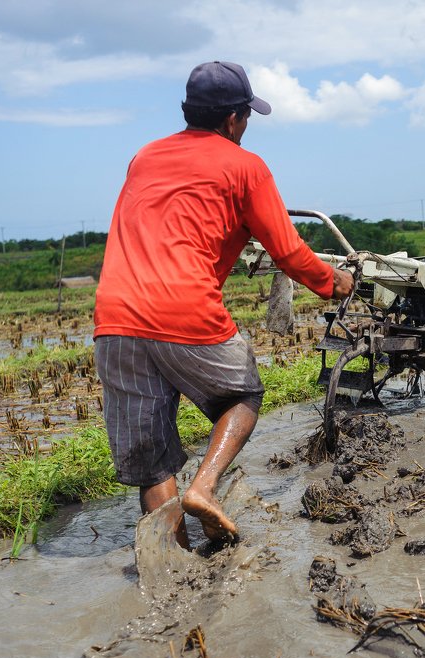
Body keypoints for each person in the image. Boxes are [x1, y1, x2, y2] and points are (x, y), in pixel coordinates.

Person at [93, 61, 354, 548]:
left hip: (114, 319)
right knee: (242, 395)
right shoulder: (245, 167)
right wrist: (332, 282)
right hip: (184, 308)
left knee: (153, 459)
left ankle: (174, 560)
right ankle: (205, 487)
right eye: (247, 117)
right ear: (234, 119)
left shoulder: (144, 157)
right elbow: (288, 252)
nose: (247, 125)